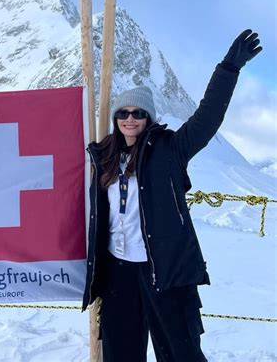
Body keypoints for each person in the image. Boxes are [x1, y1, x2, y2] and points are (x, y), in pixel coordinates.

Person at [82, 30, 262, 361]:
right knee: (120, 355)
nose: (130, 119)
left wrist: (228, 69)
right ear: (116, 118)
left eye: (138, 113)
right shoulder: (102, 156)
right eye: (123, 113)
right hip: (118, 272)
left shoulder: (169, 150)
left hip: (163, 270)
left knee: (180, 354)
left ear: (148, 117)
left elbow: (206, 118)